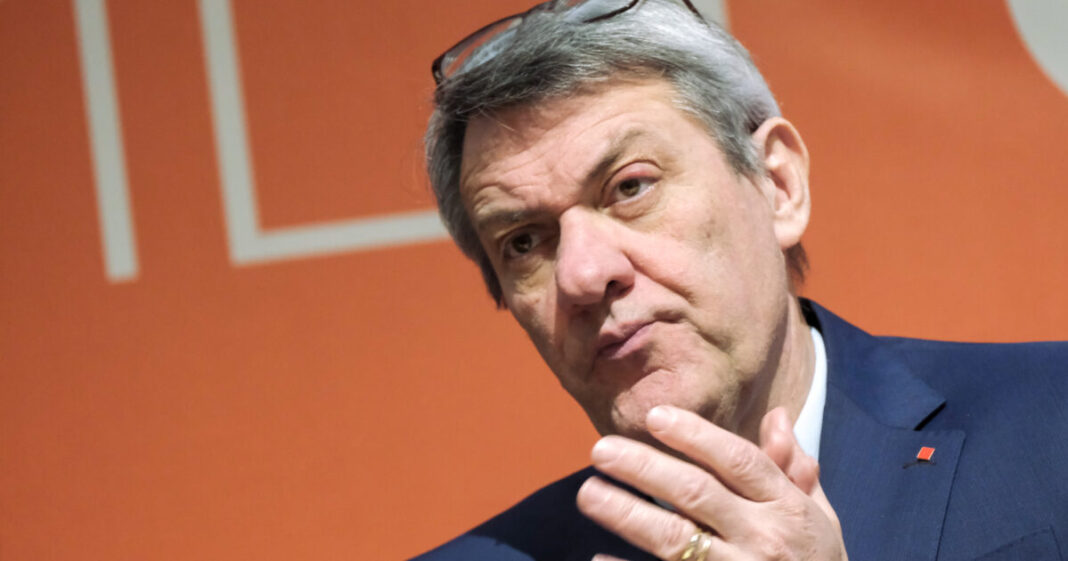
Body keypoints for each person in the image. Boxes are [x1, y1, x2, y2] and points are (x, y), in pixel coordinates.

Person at [413, 1, 1068, 559]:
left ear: (777, 185)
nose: (583, 274)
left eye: (631, 187)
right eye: (523, 242)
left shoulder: (1052, 421)